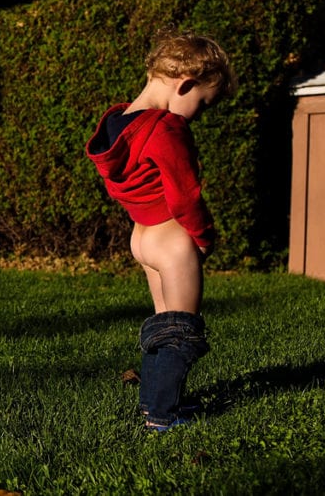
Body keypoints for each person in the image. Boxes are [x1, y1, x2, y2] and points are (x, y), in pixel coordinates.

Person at [84, 31, 237, 432]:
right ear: (184, 83)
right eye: (202, 103)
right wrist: (204, 238)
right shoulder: (166, 129)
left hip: (143, 236)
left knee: (163, 328)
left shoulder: (117, 124)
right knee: (181, 333)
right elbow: (186, 197)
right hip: (171, 241)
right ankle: (162, 417)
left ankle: (156, 407)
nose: (199, 113)